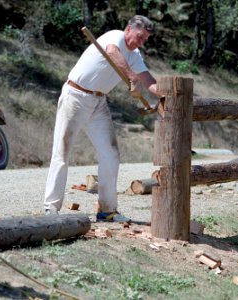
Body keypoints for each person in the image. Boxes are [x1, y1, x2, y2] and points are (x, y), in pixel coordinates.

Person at [44, 15, 161, 221]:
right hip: (76, 96)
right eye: (140, 37)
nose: (141, 42)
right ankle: (51, 209)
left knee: (110, 154)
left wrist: (167, 94)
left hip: (98, 102)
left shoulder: (134, 54)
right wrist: (131, 78)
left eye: (145, 40)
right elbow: (111, 52)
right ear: (128, 29)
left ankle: (106, 210)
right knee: (62, 152)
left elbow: (148, 80)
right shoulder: (114, 37)